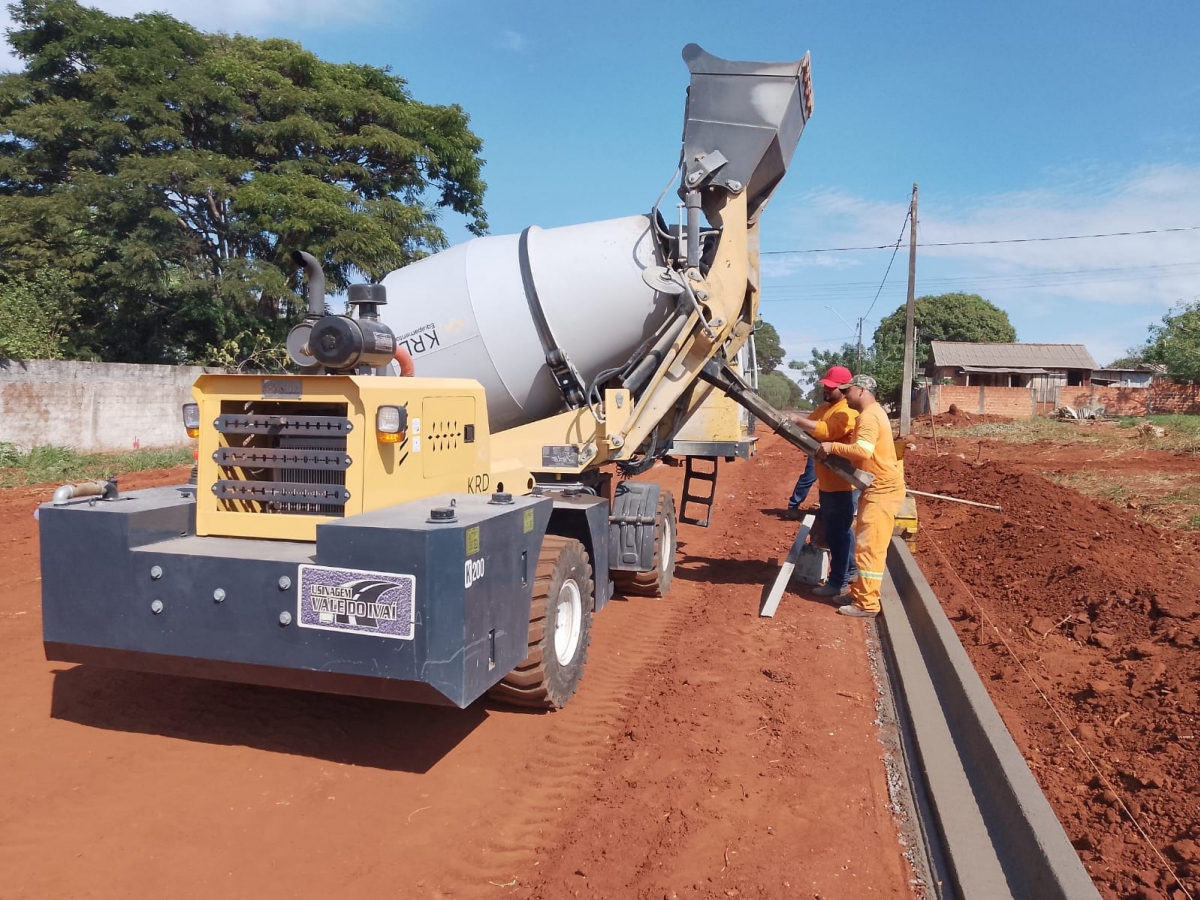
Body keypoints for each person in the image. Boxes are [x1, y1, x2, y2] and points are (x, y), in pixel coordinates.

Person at [817, 374, 906, 618]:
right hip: (877, 487)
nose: (844, 395)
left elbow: (862, 451)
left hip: (882, 490)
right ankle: (859, 593)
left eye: (848, 390)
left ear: (862, 391)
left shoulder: (868, 416)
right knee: (866, 545)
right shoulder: (874, 412)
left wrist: (832, 446)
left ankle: (867, 604)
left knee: (869, 548)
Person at [789, 365, 859, 597]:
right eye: (825, 387)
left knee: (838, 533)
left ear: (843, 388)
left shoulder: (846, 412)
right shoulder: (825, 407)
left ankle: (838, 581)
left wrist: (798, 421)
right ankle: (847, 570)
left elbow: (827, 431)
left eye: (831, 388)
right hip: (829, 483)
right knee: (836, 531)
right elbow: (812, 427)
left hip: (843, 486)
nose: (826, 391)